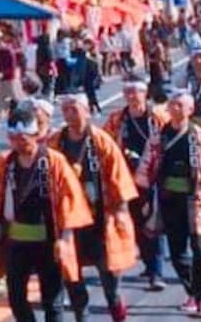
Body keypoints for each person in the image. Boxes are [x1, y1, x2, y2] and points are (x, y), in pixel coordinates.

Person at [0, 102, 93, 322]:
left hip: (48, 241)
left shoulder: (54, 162)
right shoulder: (6, 163)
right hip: (17, 242)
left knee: (53, 301)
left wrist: (65, 238)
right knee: (16, 298)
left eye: (24, 138)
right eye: (15, 138)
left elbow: (70, 199)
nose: (20, 143)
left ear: (36, 135)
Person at [136, 88, 201, 318]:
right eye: (172, 105)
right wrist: (146, 200)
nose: (174, 108)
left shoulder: (200, 136)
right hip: (169, 200)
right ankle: (193, 292)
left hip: (197, 199)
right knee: (178, 254)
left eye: (179, 105)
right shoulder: (159, 137)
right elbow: (145, 169)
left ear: (189, 109)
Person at [49, 94, 138, 322]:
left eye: (74, 109)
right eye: (66, 110)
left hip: (100, 220)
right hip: (69, 222)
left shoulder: (101, 141)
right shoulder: (56, 142)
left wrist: (121, 210)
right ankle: (82, 315)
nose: (70, 114)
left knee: (110, 279)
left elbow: (118, 176)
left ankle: (116, 308)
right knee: (72, 275)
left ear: (87, 111)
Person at [102, 74, 166, 291]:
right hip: (126, 180)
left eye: (136, 91)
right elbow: (104, 144)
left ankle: (156, 273)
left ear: (145, 93)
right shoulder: (117, 119)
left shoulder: (158, 117)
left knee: (153, 225)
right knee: (135, 225)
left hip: (153, 178)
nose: (132, 96)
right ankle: (149, 265)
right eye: (128, 92)